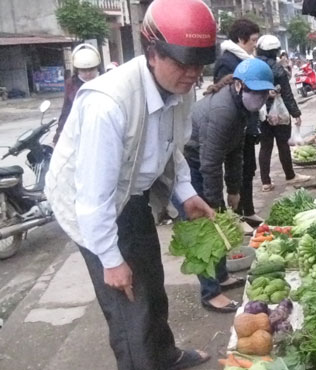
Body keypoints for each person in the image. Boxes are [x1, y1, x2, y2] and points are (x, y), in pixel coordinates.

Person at [44, 0, 218, 368]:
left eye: (199, 64)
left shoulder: (180, 89)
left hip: (131, 196)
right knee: (129, 308)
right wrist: (110, 259)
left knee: (152, 285)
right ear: (153, 53)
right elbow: (93, 197)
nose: (192, 74)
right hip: (91, 205)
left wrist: (185, 194)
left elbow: (172, 149)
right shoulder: (108, 104)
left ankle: (166, 356)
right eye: (182, 62)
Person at [186, 59, 274, 312]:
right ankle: (210, 293)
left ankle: (221, 276)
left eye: (264, 92)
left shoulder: (245, 108)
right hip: (191, 162)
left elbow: (236, 151)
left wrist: (234, 189)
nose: (259, 97)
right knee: (204, 228)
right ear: (238, 85)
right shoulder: (223, 111)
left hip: (208, 160)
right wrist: (215, 205)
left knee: (219, 220)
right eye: (255, 91)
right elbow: (210, 164)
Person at [213, 18, 263, 225]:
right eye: (252, 40)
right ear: (241, 39)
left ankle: (248, 210)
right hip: (234, 127)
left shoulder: (245, 60)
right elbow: (226, 95)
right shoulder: (227, 62)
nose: (255, 45)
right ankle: (236, 215)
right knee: (237, 170)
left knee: (249, 169)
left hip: (248, 123)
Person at [256, 35, 311, 192]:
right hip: (279, 113)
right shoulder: (278, 68)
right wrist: (296, 113)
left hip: (261, 113)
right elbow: (286, 94)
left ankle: (265, 182)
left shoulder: (254, 66)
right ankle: (290, 176)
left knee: (265, 147)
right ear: (276, 51)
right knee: (283, 145)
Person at [53, 43, 101, 144]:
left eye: (91, 69)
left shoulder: (106, 80)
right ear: (77, 69)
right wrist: (59, 135)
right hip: (81, 131)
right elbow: (66, 110)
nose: (88, 73)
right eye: (83, 70)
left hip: (102, 128)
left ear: (97, 67)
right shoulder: (71, 84)